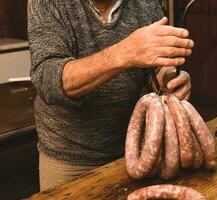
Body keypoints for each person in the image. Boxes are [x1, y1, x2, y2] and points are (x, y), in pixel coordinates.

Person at [28, 0, 194, 191]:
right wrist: (122, 53)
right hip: (69, 158)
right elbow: (47, 79)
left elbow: (154, 66)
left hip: (133, 150)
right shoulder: (46, 3)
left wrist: (168, 78)